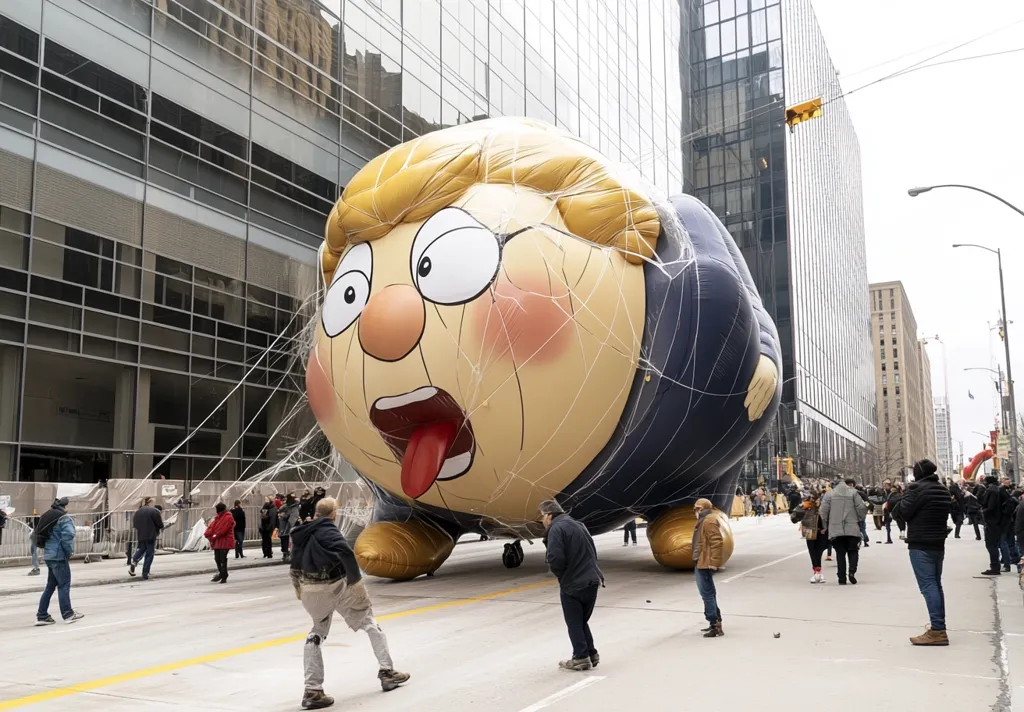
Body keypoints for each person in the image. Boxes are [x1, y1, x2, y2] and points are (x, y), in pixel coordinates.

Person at [291, 497, 409, 709]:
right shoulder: (329, 529)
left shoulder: (302, 532)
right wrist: (355, 580)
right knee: (369, 621)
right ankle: (387, 671)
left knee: (317, 631)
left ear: (316, 512)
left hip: (309, 587)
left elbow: (294, 562)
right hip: (336, 584)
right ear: (334, 514)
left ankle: (312, 690)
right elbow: (345, 552)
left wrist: (298, 588)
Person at [540, 499, 603, 671]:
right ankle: (591, 653)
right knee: (581, 620)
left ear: (549, 515)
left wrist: (562, 575)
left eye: (542, 517)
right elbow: (592, 551)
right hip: (593, 580)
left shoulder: (556, 529)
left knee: (574, 622)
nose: (542, 521)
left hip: (573, 583)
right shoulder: (579, 525)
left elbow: (555, 558)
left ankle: (580, 657)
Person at [893, 459, 951, 646]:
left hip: (920, 542)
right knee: (935, 584)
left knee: (928, 586)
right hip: (938, 542)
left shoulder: (916, 489)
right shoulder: (942, 489)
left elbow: (902, 512)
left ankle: (937, 631)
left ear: (918, 473)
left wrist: (900, 497)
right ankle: (938, 626)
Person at [35, 497, 84, 625]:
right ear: (64, 506)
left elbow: (35, 534)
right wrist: (69, 552)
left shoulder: (47, 516)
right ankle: (68, 614)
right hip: (59, 555)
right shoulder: (63, 518)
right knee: (64, 584)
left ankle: (42, 615)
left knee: (50, 586)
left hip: (49, 555)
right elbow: (68, 535)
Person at [819, 478, 867, 585]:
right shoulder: (854, 494)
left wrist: (826, 523)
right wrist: (858, 519)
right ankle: (852, 572)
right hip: (852, 528)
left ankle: (841, 577)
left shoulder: (829, 495)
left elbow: (823, 511)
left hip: (836, 529)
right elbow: (862, 508)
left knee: (840, 553)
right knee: (853, 551)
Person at [692, 498, 726, 638]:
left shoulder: (709, 520)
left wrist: (714, 562)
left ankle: (715, 624)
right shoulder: (704, 520)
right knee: (708, 593)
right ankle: (715, 623)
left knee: (707, 594)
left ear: (702, 509)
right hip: (701, 560)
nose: (695, 511)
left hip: (705, 562)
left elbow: (716, 542)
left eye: (697, 509)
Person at [794, 490, 828, 583]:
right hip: (809, 530)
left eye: (817, 499)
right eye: (813, 498)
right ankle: (817, 572)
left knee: (819, 551)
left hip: (822, 532)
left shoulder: (824, 507)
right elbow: (794, 518)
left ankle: (818, 572)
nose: (815, 501)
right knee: (813, 552)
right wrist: (801, 509)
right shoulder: (806, 506)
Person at [129, 497, 164, 580]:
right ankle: (145, 572)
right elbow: (160, 524)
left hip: (141, 535)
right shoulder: (154, 511)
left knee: (142, 549)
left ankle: (134, 561)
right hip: (151, 535)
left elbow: (135, 525)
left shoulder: (138, 512)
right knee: (149, 554)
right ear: (150, 502)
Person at [982, 475, 1008, 575]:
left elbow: (991, 506)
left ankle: (995, 567)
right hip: (998, 521)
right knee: (995, 544)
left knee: (991, 545)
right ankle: (997, 565)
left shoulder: (991, 490)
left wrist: (983, 511)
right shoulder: (998, 489)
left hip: (992, 522)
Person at [204, 503, 236, 583]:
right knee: (217, 558)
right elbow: (212, 527)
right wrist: (208, 534)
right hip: (219, 541)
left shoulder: (228, 517)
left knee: (222, 558)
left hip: (225, 541)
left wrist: (213, 537)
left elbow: (223, 530)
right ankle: (222, 573)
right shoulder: (218, 517)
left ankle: (223, 575)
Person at [279, 493, 300, 563]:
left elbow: (293, 517)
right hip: (284, 525)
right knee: (284, 538)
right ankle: (285, 553)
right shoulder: (285, 506)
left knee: (290, 539)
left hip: (291, 525)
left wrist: (284, 515)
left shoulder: (295, 507)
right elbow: (280, 514)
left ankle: (291, 553)